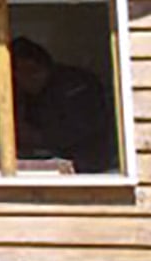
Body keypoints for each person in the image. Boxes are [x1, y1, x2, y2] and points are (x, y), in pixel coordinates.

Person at [12, 36, 118, 173]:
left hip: (90, 171)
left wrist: (38, 137)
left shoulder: (77, 86)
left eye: (25, 72)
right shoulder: (29, 95)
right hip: (51, 168)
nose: (20, 81)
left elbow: (82, 128)